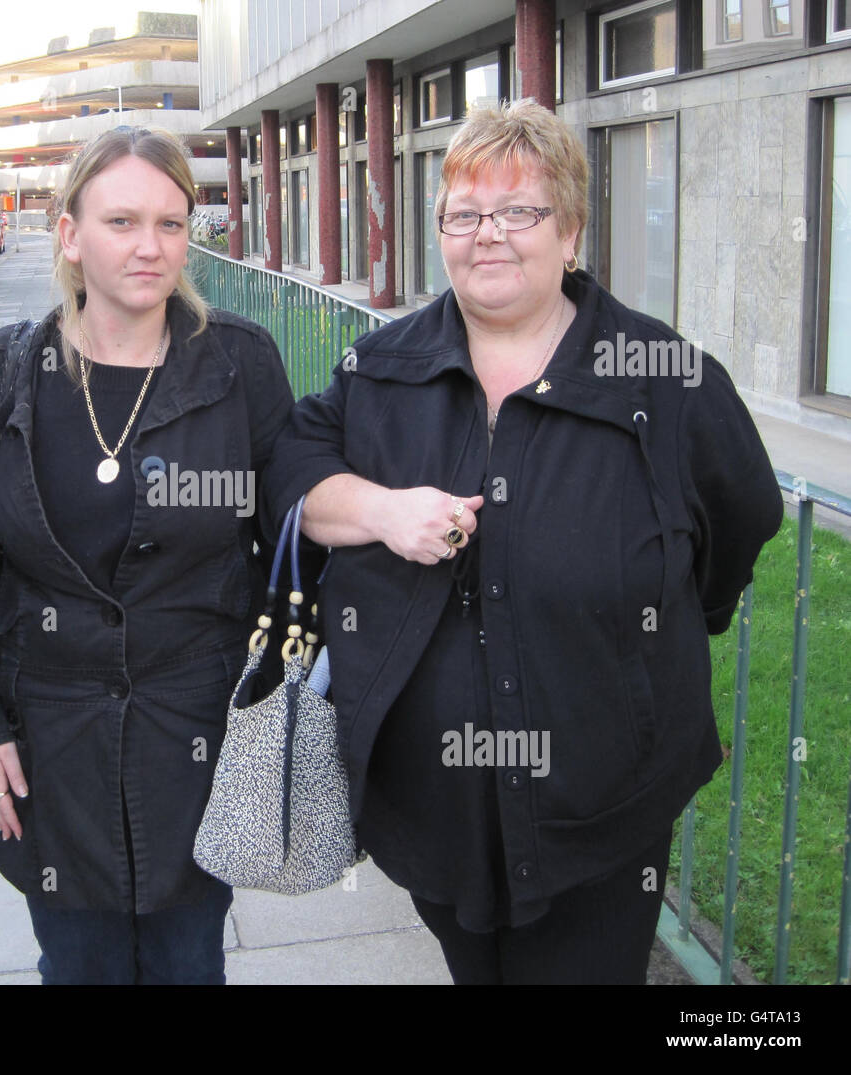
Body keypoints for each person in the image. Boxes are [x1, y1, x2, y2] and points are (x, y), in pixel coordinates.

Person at [260, 99, 784, 984]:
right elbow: (289, 467)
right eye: (463, 215)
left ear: (571, 231)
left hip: (603, 808)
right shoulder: (382, 369)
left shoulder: (662, 376)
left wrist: (674, 617)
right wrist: (383, 510)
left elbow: (742, 515)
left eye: (519, 212)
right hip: (432, 810)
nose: (487, 235)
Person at [0, 126, 293, 984]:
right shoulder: (0, 380)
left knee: (189, 961)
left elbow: (292, 523)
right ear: (68, 233)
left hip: (198, 733)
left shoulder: (239, 365)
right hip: (51, 741)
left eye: (172, 223)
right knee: (78, 964)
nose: (151, 247)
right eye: (122, 221)